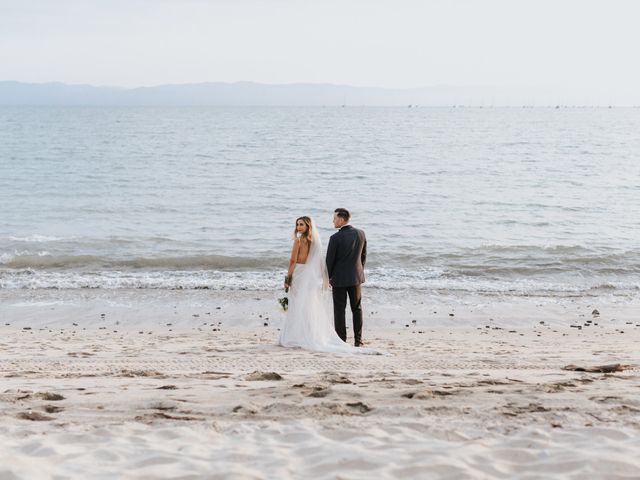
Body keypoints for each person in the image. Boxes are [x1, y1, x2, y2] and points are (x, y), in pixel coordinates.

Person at [278, 216, 380, 355]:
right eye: (297, 225)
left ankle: (296, 336)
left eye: (301, 224)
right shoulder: (315, 242)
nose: (298, 227)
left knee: (297, 305)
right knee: (310, 306)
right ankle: (355, 339)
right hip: (313, 277)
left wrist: (288, 278)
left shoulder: (298, 240)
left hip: (299, 275)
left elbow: (292, 261)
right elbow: (322, 261)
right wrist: (326, 277)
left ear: (308, 226)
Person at [325, 208, 367, 346]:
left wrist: (327, 277)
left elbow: (329, 261)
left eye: (335, 218)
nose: (333, 221)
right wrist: (359, 271)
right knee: (357, 309)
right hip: (356, 277)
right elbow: (363, 257)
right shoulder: (361, 233)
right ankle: (358, 341)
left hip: (339, 279)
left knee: (339, 310)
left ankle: (341, 341)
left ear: (342, 219)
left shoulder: (335, 238)